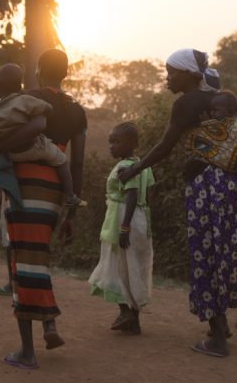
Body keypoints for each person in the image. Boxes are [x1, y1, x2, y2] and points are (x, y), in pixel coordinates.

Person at [119, 48, 237, 358]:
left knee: (205, 253)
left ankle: (218, 338)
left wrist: (134, 169)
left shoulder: (186, 104)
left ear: (190, 74)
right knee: (224, 253)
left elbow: (164, 147)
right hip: (233, 186)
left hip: (207, 188)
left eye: (172, 72)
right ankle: (222, 324)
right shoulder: (218, 99)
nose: (167, 77)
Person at [0, 48, 87, 371]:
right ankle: (49, 321)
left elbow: (8, 136)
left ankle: (27, 351)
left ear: (39, 71)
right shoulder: (77, 110)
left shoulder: (25, 99)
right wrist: (72, 210)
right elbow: (77, 162)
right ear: (66, 74)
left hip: (24, 185)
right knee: (36, 256)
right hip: (56, 188)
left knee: (22, 260)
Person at [0, 64, 84, 207]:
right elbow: (46, 108)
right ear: (19, 85)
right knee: (61, 160)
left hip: (11, 154)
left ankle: (4, 188)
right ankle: (70, 195)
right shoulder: (25, 100)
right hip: (35, 148)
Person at [88, 122, 154, 335]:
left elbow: (132, 194)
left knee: (118, 268)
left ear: (133, 144)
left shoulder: (125, 167)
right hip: (141, 220)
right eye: (110, 142)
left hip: (123, 220)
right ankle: (133, 320)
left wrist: (124, 227)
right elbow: (147, 195)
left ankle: (125, 312)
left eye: (116, 142)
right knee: (132, 268)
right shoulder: (144, 166)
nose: (111, 146)